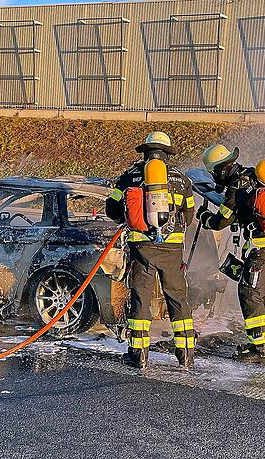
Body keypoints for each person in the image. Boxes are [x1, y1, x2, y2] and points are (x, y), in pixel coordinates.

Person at [198, 144, 265, 364]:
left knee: (249, 291)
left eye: (215, 172)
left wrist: (204, 216)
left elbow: (220, 222)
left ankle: (260, 349)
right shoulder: (254, 175)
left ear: (222, 169)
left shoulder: (236, 188)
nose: (216, 177)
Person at [106, 131, 196, 370]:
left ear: (145, 152)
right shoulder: (181, 180)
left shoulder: (129, 177)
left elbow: (111, 210)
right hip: (172, 249)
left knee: (140, 298)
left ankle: (139, 353)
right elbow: (189, 215)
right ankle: (186, 353)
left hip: (142, 248)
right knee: (177, 297)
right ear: (167, 154)